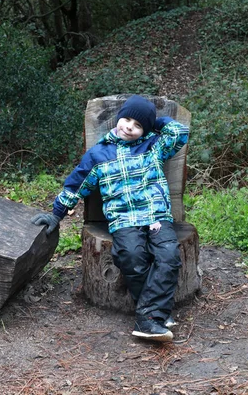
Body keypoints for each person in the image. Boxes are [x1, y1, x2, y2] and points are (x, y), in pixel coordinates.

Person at [32, 95, 189, 342]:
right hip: (124, 219)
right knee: (131, 256)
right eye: (126, 120)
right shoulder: (99, 154)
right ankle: (154, 314)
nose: (129, 127)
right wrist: (56, 214)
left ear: (146, 129)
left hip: (156, 215)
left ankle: (149, 317)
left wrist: (155, 123)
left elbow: (179, 132)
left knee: (168, 256)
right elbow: (76, 185)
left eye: (138, 125)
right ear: (118, 119)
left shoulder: (154, 146)